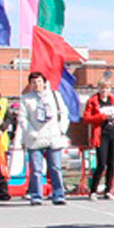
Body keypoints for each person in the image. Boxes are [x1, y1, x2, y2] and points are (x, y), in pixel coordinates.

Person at [17, 71, 70, 206]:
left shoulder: (54, 95)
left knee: (55, 167)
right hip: (35, 137)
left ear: (44, 82)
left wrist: (62, 129)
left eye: (39, 81)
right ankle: (36, 195)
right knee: (36, 170)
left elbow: (64, 112)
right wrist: (30, 131)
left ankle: (58, 194)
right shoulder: (26, 99)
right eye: (34, 82)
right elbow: (22, 118)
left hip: (53, 136)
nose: (37, 84)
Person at [82, 79, 114, 199]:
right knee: (101, 163)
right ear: (98, 89)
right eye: (102, 88)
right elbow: (87, 118)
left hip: (113, 133)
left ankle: (108, 190)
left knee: (111, 163)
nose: (104, 91)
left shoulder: (113, 100)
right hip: (101, 134)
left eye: (107, 88)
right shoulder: (93, 101)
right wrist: (101, 117)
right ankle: (93, 190)